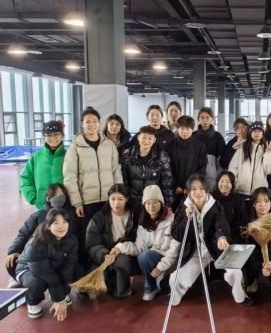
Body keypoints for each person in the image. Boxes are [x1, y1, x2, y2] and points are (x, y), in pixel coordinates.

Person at [169, 174, 252, 307]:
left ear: (207, 190)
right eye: (194, 189)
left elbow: (221, 224)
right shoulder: (183, 208)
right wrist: (187, 218)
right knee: (175, 278)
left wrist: (222, 237)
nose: (198, 192)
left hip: (215, 248)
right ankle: (173, 297)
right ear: (188, 192)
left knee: (236, 272)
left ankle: (241, 297)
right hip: (195, 252)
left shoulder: (214, 205)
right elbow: (177, 234)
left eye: (201, 188)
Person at [63, 106, 122, 247]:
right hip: (87, 201)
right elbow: (70, 177)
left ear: (99, 123)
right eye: (87, 122)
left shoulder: (109, 144)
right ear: (82, 124)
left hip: (109, 199)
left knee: (109, 233)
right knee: (88, 236)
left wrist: (119, 196)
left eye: (95, 121)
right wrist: (77, 202)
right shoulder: (75, 148)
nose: (92, 125)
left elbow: (116, 171)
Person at [112, 185, 179, 301]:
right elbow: (139, 248)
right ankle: (151, 287)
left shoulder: (172, 220)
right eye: (148, 203)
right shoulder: (143, 223)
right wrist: (120, 247)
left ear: (161, 203)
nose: (151, 207)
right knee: (144, 256)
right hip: (154, 257)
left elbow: (175, 250)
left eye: (155, 202)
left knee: (167, 287)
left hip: (171, 260)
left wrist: (160, 267)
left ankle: (163, 278)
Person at [6, 184, 78, 287]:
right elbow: (23, 233)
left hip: (61, 257)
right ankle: (20, 280)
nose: (59, 197)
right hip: (39, 258)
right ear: (48, 198)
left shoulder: (71, 215)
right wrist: (14, 250)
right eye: (55, 195)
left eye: (61, 194)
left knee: (78, 270)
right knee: (33, 278)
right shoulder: (39, 215)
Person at [15, 208, 78, 320]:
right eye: (56, 223)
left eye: (64, 222)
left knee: (77, 270)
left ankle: (60, 294)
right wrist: (59, 299)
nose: (61, 226)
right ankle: (33, 301)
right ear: (48, 226)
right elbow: (45, 273)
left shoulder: (72, 240)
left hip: (52, 267)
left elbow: (68, 269)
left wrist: (62, 295)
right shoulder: (36, 244)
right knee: (35, 283)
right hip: (28, 269)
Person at [85, 184, 139, 298]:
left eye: (120, 199)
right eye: (112, 199)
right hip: (105, 255)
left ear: (127, 199)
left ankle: (123, 289)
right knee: (92, 290)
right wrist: (104, 255)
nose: (116, 203)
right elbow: (92, 244)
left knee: (122, 262)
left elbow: (139, 242)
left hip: (125, 253)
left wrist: (120, 249)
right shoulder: (99, 217)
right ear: (108, 199)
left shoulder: (135, 216)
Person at [243, 187, 271, 296]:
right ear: (253, 204)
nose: (262, 204)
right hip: (256, 260)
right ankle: (252, 279)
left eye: (266, 201)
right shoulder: (248, 223)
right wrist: (260, 265)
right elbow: (248, 251)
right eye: (258, 201)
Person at [121, 126, 174, 207]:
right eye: (144, 137)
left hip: (154, 201)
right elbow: (124, 180)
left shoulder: (161, 156)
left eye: (150, 138)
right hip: (134, 200)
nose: (146, 141)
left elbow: (167, 182)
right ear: (138, 138)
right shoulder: (127, 154)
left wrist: (168, 204)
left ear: (154, 140)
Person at [20, 120, 66, 211]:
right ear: (44, 137)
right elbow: (25, 179)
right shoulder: (36, 157)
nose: (53, 138)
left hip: (65, 206)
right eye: (48, 135)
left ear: (62, 135)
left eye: (56, 134)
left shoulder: (69, 156)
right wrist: (33, 198)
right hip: (42, 207)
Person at [166, 115, 207, 210]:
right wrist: (175, 186)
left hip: (191, 190)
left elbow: (202, 169)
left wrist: (190, 187)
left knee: (191, 214)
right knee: (173, 214)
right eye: (182, 128)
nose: (184, 132)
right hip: (173, 189)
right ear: (177, 129)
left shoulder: (200, 146)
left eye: (187, 129)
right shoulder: (170, 145)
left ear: (192, 129)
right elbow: (166, 168)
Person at [228, 121, 271, 197]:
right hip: (240, 191)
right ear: (250, 133)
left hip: (259, 192)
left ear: (263, 133)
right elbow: (233, 167)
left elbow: (269, 171)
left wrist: (268, 154)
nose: (257, 133)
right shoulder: (243, 147)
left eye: (259, 131)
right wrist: (234, 183)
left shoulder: (266, 149)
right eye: (254, 131)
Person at [193, 107, 226, 189]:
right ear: (198, 119)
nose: (205, 120)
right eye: (202, 117)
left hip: (212, 170)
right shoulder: (193, 135)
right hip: (195, 168)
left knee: (212, 191)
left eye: (207, 117)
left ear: (212, 119)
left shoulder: (217, 136)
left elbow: (222, 156)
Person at [211, 171, 247, 244]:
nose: (224, 184)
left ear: (232, 184)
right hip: (215, 236)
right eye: (222, 181)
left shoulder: (238, 199)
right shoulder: (211, 198)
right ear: (217, 182)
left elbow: (242, 221)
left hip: (233, 235)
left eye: (228, 182)